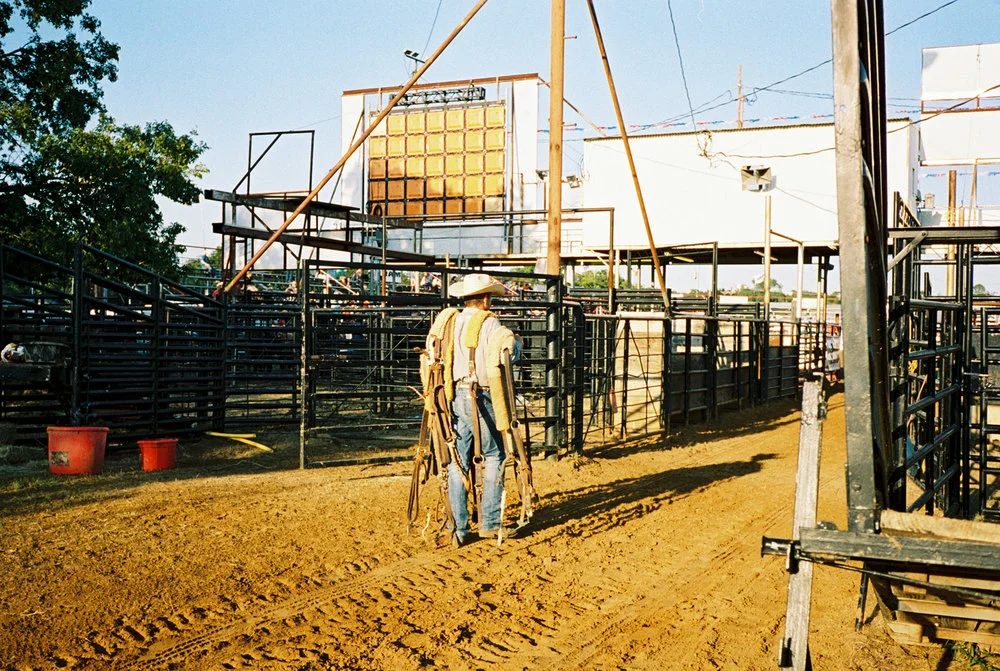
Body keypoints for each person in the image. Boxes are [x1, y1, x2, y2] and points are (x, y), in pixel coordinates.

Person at [446, 273, 521, 547]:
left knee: (457, 456)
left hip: (456, 394)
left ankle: (458, 527)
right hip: (482, 394)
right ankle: (489, 522)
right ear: (486, 298)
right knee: (495, 454)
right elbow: (505, 355)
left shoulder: (450, 321)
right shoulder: (489, 323)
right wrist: (518, 345)